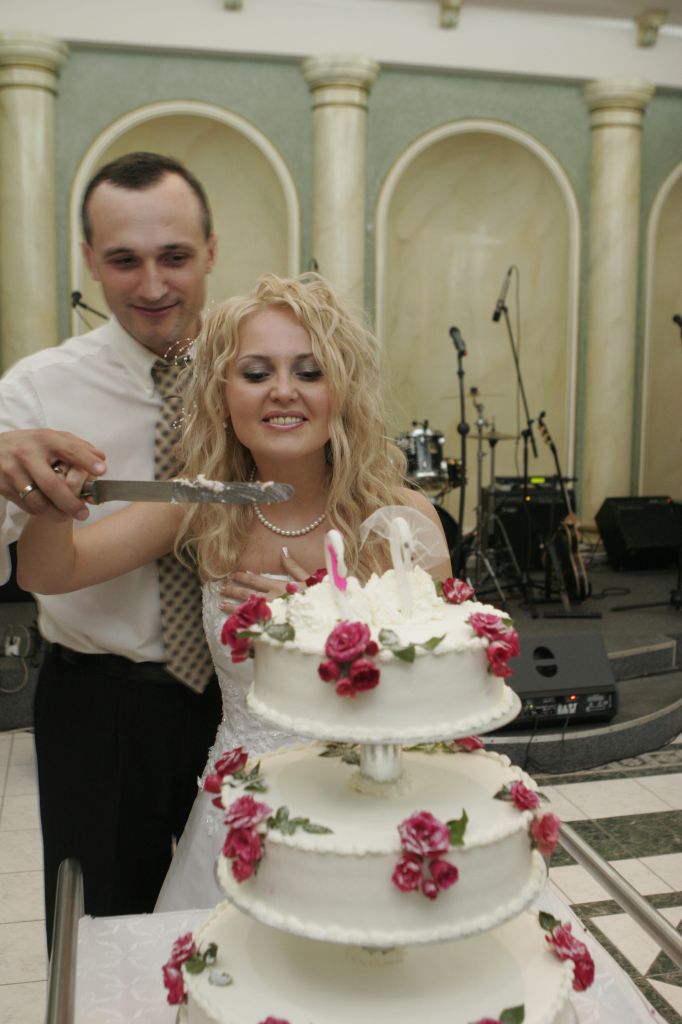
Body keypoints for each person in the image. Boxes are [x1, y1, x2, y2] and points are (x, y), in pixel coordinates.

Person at [17, 271, 452, 910]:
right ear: (223, 396)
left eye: (309, 371)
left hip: (372, 810)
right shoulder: (204, 506)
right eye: (255, 373)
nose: (283, 391)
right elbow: (49, 574)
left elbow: (446, 691)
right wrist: (51, 504)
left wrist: (333, 624)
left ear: (341, 390)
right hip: (241, 814)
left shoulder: (400, 520)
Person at [0, 152, 222, 946]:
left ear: (211, 251)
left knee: (243, 939)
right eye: (125, 260)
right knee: (102, 939)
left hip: (243, 701)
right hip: (100, 708)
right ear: (90, 260)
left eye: (175, 257)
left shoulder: (258, 372)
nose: (152, 285)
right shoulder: (35, 393)